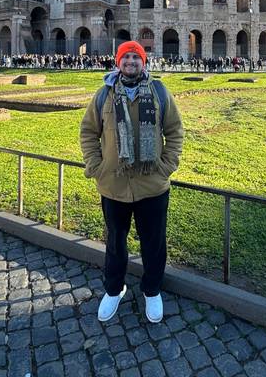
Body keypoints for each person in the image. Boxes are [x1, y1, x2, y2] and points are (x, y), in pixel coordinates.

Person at [80, 41, 184, 324]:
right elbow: (89, 132)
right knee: (115, 243)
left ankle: (152, 291)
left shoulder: (160, 92)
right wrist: (96, 166)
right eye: (125, 57)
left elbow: (175, 132)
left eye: (135, 57)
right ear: (118, 62)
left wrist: (165, 167)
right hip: (113, 184)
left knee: (154, 243)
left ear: (144, 62)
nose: (130, 61)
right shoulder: (104, 95)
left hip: (153, 184)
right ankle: (114, 289)